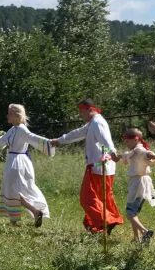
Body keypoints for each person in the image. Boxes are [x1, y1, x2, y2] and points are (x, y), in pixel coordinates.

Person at [50, 99, 123, 234]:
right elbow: (77, 133)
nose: (80, 115)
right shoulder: (92, 123)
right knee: (101, 198)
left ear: (90, 109)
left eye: (81, 111)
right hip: (102, 167)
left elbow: (105, 139)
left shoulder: (97, 122)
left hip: (99, 167)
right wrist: (59, 141)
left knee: (87, 198)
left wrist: (113, 152)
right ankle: (99, 225)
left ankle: (107, 221)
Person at [0, 104, 54, 226]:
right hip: (14, 161)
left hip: (17, 163)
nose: (7, 115)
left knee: (15, 191)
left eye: (9, 113)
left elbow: (33, 138)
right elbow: (1, 142)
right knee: (16, 191)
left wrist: (49, 143)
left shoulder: (21, 129)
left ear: (16, 115)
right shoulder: (13, 129)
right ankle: (30, 214)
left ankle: (24, 216)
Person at [113, 128, 155, 244]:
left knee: (130, 213)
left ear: (136, 139)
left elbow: (148, 154)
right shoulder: (134, 151)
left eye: (127, 140)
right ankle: (136, 238)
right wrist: (116, 156)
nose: (125, 143)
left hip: (138, 183)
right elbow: (125, 155)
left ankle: (145, 232)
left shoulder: (140, 150)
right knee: (133, 212)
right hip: (139, 183)